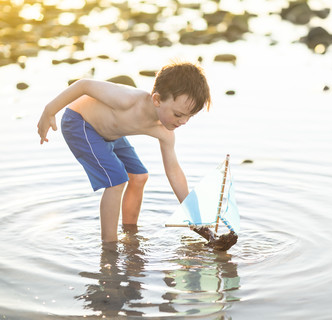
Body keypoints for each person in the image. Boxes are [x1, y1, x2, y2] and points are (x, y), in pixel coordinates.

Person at [37, 62, 211, 242]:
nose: (183, 121)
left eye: (189, 116)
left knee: (140, 175)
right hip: (80, 123)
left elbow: (174, 172)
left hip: (111, 133)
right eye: (178, 114)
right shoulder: (127, 100)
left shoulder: (165, 133)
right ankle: (109, 244)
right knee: (116, 180)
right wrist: (49, 111)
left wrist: (193, 213)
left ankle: (130, 233)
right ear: (157, 100)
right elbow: (84, 85)